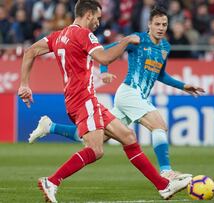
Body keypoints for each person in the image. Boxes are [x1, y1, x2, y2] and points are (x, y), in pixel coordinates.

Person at [17, 1, 191, 202]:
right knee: (96, 150)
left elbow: (30, 51)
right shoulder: (83, 34)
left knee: (128, 136)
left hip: (81, 100)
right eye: (98, 18)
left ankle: (164, 186)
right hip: (83, 100)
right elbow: (105, 58)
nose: (98, 23)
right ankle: (53, 181)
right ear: (88, 14)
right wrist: (125, 41)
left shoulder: (58, 35)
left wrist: (24, 84)